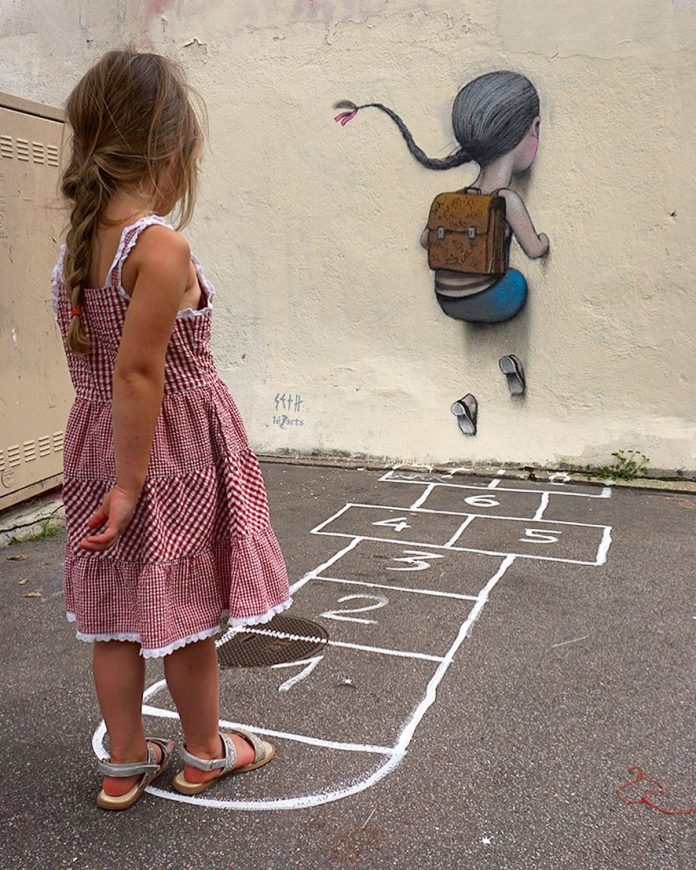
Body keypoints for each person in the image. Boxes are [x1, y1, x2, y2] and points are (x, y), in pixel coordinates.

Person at [51, 48, 291, 810]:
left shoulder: (77, 246)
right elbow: (139, 373)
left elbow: (109, 374)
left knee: (116, 609)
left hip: (94, 440)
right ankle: (203, 753)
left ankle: (125, 762)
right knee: (184, 612)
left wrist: (112, 475)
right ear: (168, 149)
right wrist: (130, 484)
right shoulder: (159, 246)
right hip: (166, 453)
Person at [335, 71, 550, 417]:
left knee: (483, 287)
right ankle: (510, 366)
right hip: (495, 299)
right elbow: (535, 249)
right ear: (532, 130)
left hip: (448, 300)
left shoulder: (452, 200)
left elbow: (425, 241)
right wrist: (544, 240)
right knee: (516, 282)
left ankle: (471, 399)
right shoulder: (506, 199)